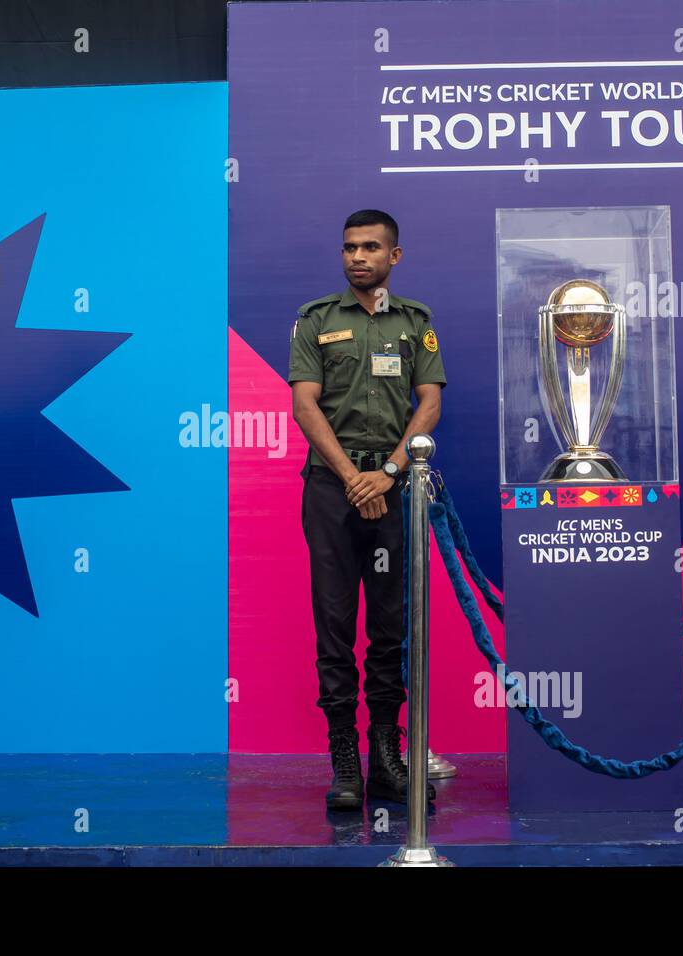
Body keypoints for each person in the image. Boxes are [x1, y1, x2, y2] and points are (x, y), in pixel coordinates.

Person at [288, 209, 447, 811]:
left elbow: (428, 405)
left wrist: (387, 474)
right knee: (334, 625)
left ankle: (386, 757)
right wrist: (356, 477)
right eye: (350, 247)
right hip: (333, 488)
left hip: (393, 483)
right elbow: (305, 408)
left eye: (371, 247)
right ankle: (345, 761)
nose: (358, 256)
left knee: (388, 626)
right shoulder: (316, 320)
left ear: (394, 257)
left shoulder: (416, 322)